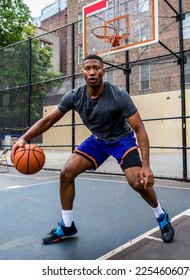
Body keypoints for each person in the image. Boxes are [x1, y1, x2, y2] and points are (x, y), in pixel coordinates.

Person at [11, 54, 175, 244]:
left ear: (103, 71)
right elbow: (48, 120)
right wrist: (24, 138)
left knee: (137, 182)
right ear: (83, 72)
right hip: (97, 141)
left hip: (122, 140)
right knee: (66, 173)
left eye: (96, 68)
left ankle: (162, 217)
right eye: (88, 68)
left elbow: (139, 129)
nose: (92, 72)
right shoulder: (74, 96)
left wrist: (146, 165)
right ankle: (67, 225)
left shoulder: (118, 95)